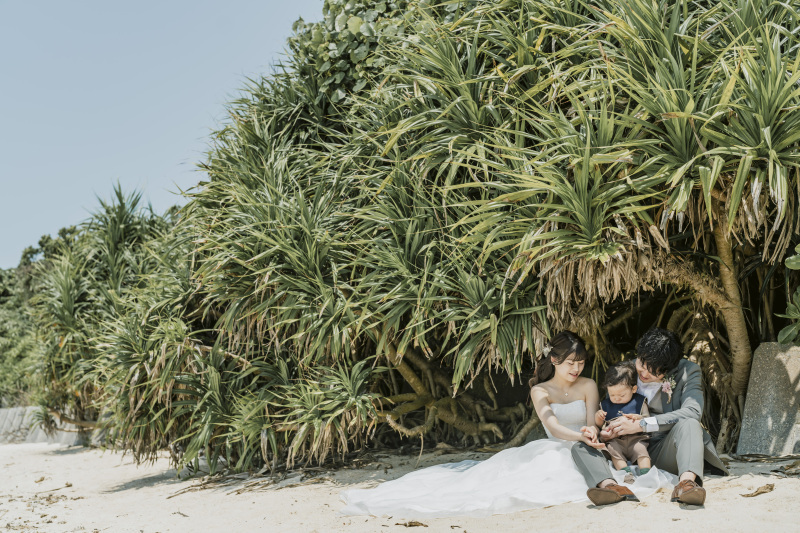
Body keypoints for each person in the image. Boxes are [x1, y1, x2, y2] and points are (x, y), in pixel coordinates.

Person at [340, 332, 674, 518]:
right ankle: (606, 485)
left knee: (591, 449)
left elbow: (591, 422)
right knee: (516, 484)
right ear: (554, 361)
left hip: (585, 443)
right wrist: (579, 436)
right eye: (571, 363)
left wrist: (592, 430)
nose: (577, 368)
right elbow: (553, 426)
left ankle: (607, 484)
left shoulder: (588, 386)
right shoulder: (539, 390)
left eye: (581, 363)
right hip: (555, 447)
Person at [572, 327, 729, 506]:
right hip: (623, 450)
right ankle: (610, 487)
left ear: (670, 368)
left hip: (664, 449)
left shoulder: (688, 371)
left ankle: (686, 484)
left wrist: (642, 424)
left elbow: (693, 411)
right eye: (641, 365)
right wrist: (606, 433)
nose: (644, 374)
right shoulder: (624, 370)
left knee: (690, 423)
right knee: (581, 446)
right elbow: (610, 410)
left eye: (653, 372)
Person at [595, 361, 651, 484]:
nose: (616, 398)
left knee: (641, 451)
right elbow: (600, 426)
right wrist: (598, 417)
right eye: (612, 394)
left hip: (636, 438)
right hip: (615, 440)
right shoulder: (605, 405)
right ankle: (625, 473)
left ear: (634, 389)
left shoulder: (639, 402)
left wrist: (638, 418)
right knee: (613, 451)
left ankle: (646, 473)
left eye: (621, 395)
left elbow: (647, 419)